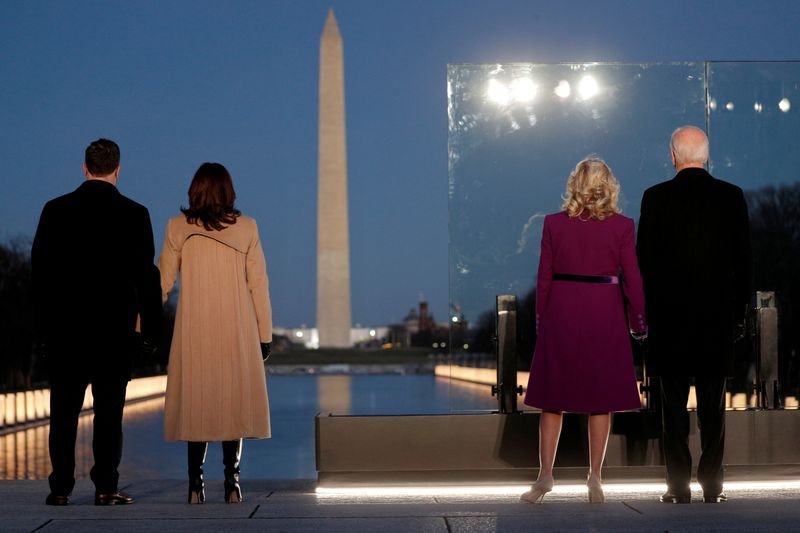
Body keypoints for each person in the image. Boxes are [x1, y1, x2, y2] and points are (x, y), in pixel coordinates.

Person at [32, 138, 162, 506]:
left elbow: (39, 276)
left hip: (65, 330)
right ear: (118, 170)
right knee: (108, 415)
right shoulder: (136, 214)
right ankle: (105, 486)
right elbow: (145, 278)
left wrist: (40, 331)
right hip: (113, 331)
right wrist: (152, 331)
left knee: (63, 414)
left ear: (85, 168)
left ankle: (59, 488)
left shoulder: (55, 210)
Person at [521, 157, 647, 504]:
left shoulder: (552, 224)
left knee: (552, 400)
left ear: (574, 183)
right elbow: (632, 279)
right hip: (604, 311)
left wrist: (540, 320)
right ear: (608, 185)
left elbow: (543, 277)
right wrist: (639, 321)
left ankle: (545, 476)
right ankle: (595, 477)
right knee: (600, 399)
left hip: (561, 309)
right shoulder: (622, 226)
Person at [637, 126, 751, 504]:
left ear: (672, 155)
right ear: (707, 155)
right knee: (713, 409)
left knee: (672, 409)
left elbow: (644, 264)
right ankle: (713, 486)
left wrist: (646, 314)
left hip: (669, 322)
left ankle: (677, 486)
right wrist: (738, 315)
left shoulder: (654, 198)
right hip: (716, 320)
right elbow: (743, 263)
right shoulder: (731, 197)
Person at [159, 162, 272, 504]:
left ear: (195, 190)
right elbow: (259, 287)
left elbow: (161, 283)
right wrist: (264, 335)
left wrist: (140, 326)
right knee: (231, 405)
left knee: (198, 406)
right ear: (228, 191)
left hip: (194, 330)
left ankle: (195, 485)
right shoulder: (248, 228)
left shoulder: (177, 228)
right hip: (236, 329)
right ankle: (232, 483)